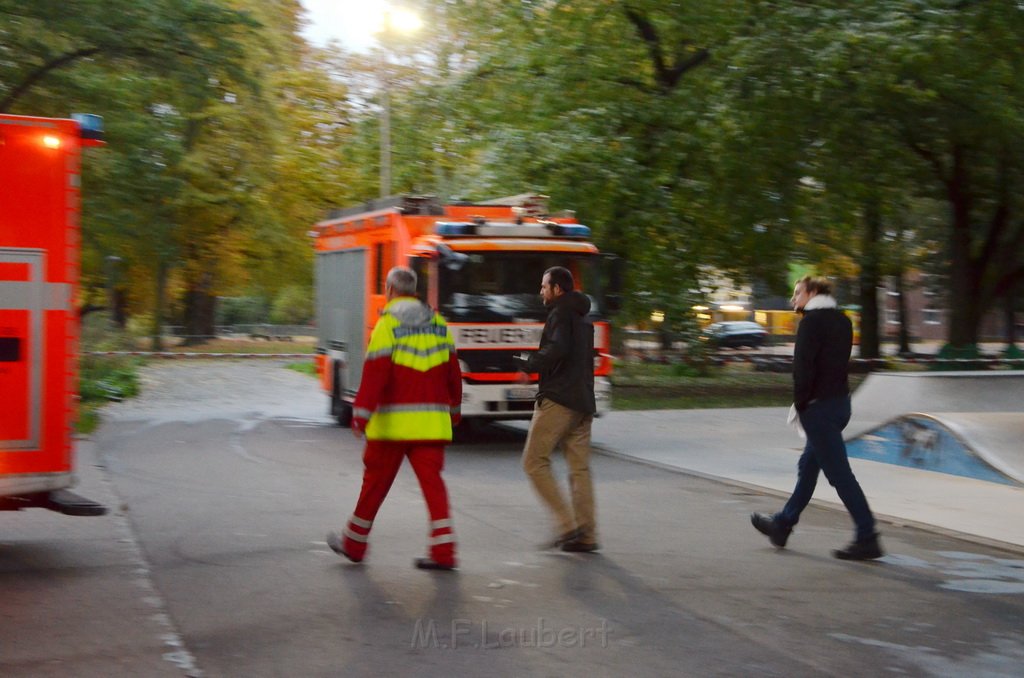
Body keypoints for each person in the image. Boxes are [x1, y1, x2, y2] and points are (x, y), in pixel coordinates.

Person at [326, 266, 463, 570]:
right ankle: (444, 552)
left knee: (374, 485)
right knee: (433, 486)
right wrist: (455, 411)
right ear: (415, 292)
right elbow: (453, 373)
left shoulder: (386, 326)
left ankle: (354, 543)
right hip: (431, 425)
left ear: (389, 290)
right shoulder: (439, 324)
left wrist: (359, 416)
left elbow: (375, 374)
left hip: (392, 427)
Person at [751, 275, 883, 560]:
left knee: (840, 476)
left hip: (818, 409)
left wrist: (801, 405)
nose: (793, 299)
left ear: (812, 292)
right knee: (808, 467)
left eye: (798, 293)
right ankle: (782, 525)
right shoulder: (843, 321)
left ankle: (867, 536)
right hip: (840, 404)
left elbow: (803, 368)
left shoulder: (811, 323)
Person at [515, 266, 599, 553]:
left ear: (557, 289)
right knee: (579, 469)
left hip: (560, 398)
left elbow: (558, 348)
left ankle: (566, 526)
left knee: (533, 461)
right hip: (583, 400)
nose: (541, 292)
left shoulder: (560, 313)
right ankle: (586, 535)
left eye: (543, 287)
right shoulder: (583, 316)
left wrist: (530, 365)